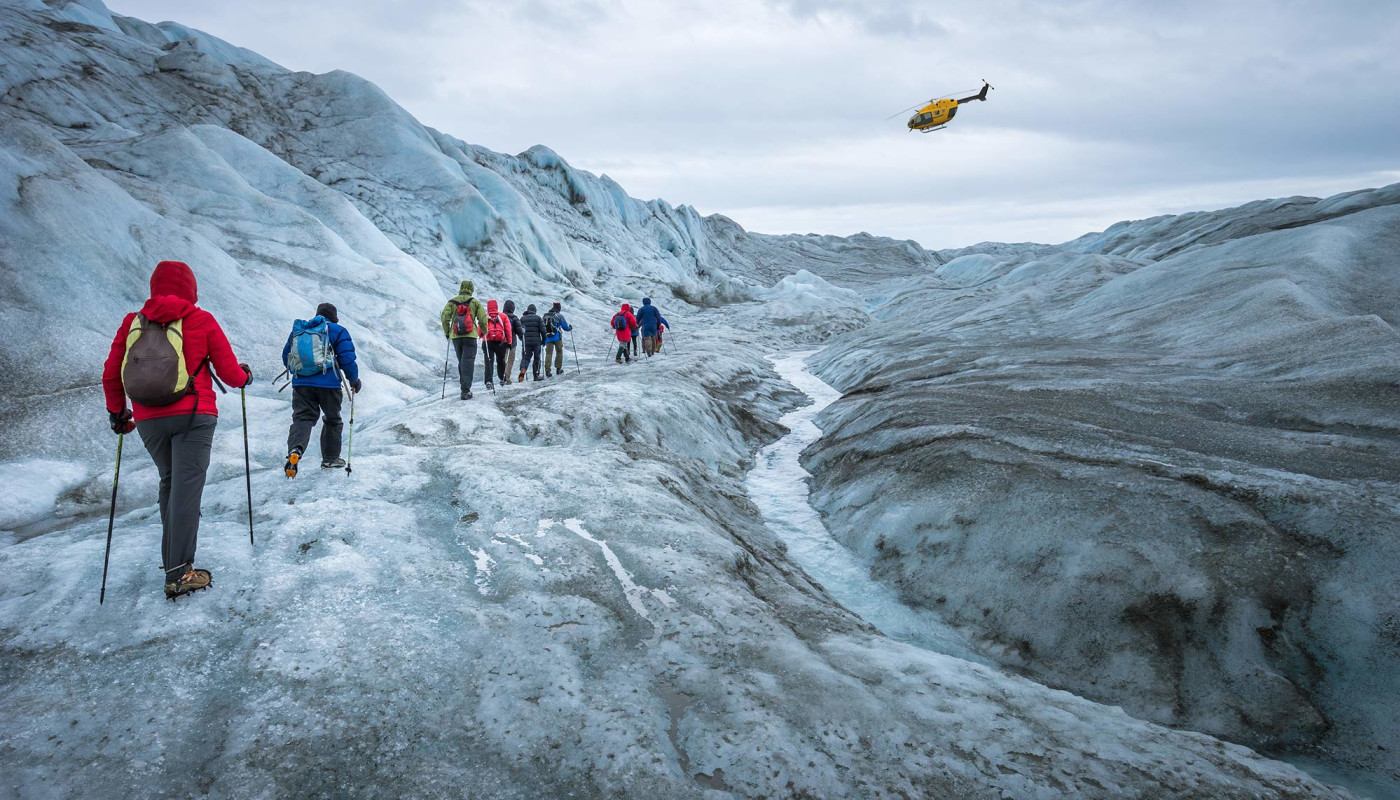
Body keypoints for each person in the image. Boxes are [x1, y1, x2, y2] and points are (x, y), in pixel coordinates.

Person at [101, 260, 252, 600]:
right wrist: (245, 377)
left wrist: (118, 414)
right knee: (186, 489)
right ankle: (180, 572)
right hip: (194, 415)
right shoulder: (201, 319)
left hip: (148, 419)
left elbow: (111, 373)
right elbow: (230, 374)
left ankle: (174, 563)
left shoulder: (132, 323)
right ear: (191, 289)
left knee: (170, 482)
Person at [282, 302, 359, 476]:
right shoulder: (337, 331)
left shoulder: (300, 331)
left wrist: (302, 374)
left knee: (302, 418)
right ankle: (330, 459)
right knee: (333, 420)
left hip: (301, 385)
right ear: (334, 317)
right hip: (329, 384)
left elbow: (286, 357)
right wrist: (353, 380)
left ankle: (295, 450)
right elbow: (347, 359)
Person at [440, 280, 488, 399]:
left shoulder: (452, 302)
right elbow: (482, 319)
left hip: (456, 336)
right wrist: (484, 331)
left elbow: (445, 317)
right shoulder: (475, 302)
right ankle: (465, 390)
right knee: (468, 362)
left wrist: (447, 332)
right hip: (470, 336)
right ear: (471, 289)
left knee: (461, 361)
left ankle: (464, 387)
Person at [483, 299, 513, 387]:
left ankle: (489, 381)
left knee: (489, 361)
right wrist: (509, 342)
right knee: (500, 361)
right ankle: (502, 379)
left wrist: (481, 336)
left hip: (487, 341)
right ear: (496, 306)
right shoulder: (503, 316)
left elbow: (480, 330)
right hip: (501, 342)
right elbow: (508, 330)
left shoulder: (485, 316)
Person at [542, 301, 573, 377]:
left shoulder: (545, 316)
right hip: (557, 338)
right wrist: (570, 328)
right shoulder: (559, 316)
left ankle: (547, 371)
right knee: (559, 352)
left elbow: (542, 327)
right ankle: (558, 369)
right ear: (559, 308)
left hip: (548, 338)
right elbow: (565, 327)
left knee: (548, 353)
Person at [516, 304, 546, 382]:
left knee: (526, 358)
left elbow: (519, 331)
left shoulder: (522, 319)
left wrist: (522, 339)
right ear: (535, 311)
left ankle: (523, 369)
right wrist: (544, 340)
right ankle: (536, 375)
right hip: (537, 343)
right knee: (537, 358)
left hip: (526, 343)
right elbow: (543, 331)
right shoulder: (538, 318)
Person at [503, 299, 523, 383]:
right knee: (510, 361)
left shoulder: (500, 316)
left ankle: (502, 377)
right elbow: (519, 331)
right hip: (512, 342)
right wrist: (522, 335)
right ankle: (507, 378)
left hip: (502, 342)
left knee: (503, 360)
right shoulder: (514, 318)